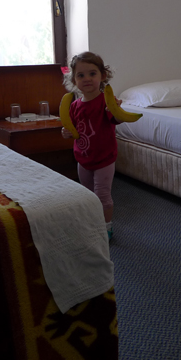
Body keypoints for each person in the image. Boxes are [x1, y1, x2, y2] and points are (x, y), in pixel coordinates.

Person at [61, 52, 125, 240]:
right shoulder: (74, 106)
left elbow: (118, 120)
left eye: (92, 73)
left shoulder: (107, 101)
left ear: (102, 76)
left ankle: (106, 228)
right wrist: (66, 132)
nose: (86, 79)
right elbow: (72, 128)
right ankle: (92, 224)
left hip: (104, 158)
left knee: (102, 195)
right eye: (80, 75)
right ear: (74, 80)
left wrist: (116, 109)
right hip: (83, 158)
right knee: (88, 196)